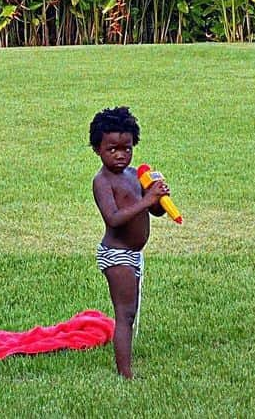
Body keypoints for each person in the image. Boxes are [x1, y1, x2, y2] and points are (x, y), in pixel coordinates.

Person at [90, 106, 170, 378]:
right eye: (112, 149)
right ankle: (126, 373)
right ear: (97, 149)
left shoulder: (135, 175)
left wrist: (157, 197)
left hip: (135, 255)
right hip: (116, 254)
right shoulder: (102, 181)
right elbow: (113, 218)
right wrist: (146, 200)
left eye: (127, 148)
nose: (120, 155)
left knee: (131, 312)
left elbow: (154, 211)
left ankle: (126, 362)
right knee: (124, 313)